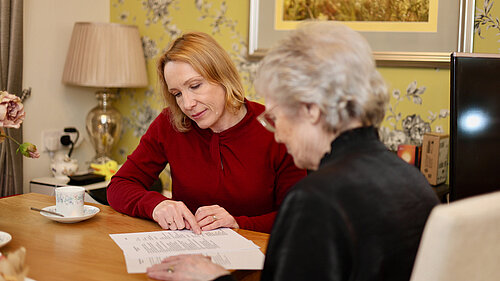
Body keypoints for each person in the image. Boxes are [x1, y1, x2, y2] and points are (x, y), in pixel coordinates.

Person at [145, 22, 440, 281]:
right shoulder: (412, 180)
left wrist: (212, 278)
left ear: (310, 110)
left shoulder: (316, 199)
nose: (278, 133)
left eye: (276, 117)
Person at [107, 32, 306, 234]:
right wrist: (156, 205)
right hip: (187, 254)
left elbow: (298, 216)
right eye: (177, 94)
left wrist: (237, 224)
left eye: (195, 86)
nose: (187, 104)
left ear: (222, 76)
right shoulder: (170, 124)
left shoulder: (276, 127)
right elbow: (119, 186)